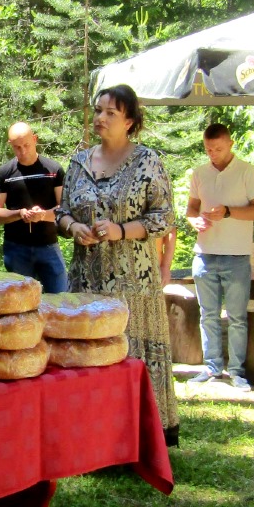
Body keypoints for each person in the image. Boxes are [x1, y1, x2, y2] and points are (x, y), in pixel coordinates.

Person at [56, 85, 180, 445]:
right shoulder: (79, 162)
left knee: (133, 357)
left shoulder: (147, 161)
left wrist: (120, 230)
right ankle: (91, 438)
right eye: (98, 111)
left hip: (134, 283)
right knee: (90, 355)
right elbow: (62, 213)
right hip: (86, 283)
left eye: (111, 112)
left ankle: (138, 440)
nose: (101, 118)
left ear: (130, 121)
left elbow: (164, 218)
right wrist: (74, 227)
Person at [185, 124, 254, 391]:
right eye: (208, 149)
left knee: (236, 317)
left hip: (236, 255)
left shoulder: (247, 171)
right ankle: (211, 367)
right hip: (205, 254)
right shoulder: (199, 173)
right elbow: (191, 209)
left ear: (230, 144)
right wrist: (194, 221)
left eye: (218, 149)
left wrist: (229, 212)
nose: (213, 154)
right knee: (207, 314)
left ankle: (236, 370)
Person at [0, 122, 68, 293]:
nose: (22, 151)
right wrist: (20, 213)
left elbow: (65, 209)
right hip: (16, 248)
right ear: (10, 145)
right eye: (17, 147)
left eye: (26, 145)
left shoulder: (53, 170)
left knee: (60, 298)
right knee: (21, 304)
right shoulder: (4, 174)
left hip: (49, 245)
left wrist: (43, 215)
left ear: (35, 139)